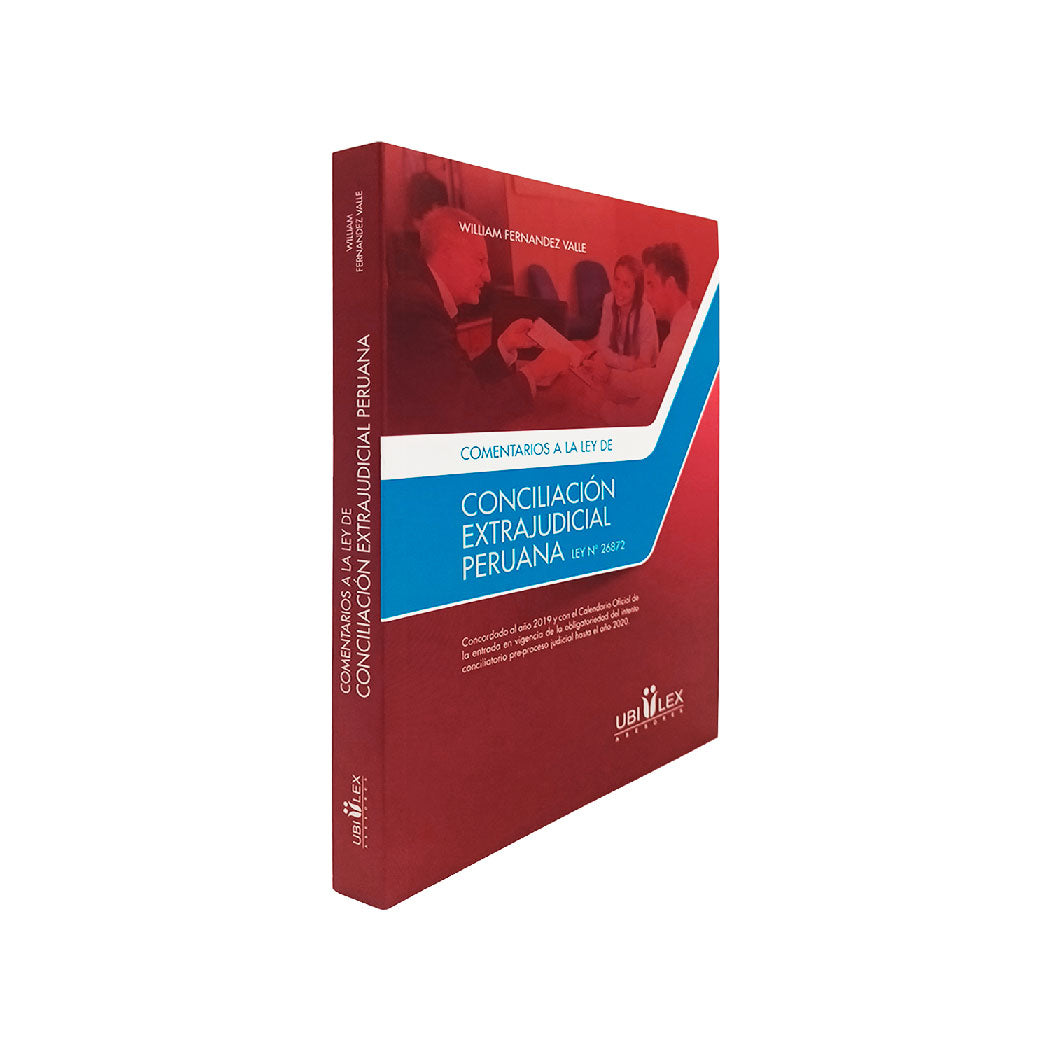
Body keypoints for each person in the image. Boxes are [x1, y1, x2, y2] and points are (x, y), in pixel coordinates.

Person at [387, 207, 568, 434]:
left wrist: (504, 346)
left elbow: (456, 385)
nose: (488, 276)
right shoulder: (417, 309)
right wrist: (535, 372)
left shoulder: (420, 295)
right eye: (480, 260)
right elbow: (468, 412)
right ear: (447, 254)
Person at [600, 243, 698, 425]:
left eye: (651, 285)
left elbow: (642, 418)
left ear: (670, 284)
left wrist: (600, 407)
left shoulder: (676, 343)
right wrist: (612, 376)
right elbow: (658, 378)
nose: (647, 295)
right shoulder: (688, 322)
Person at [594, 255, 659, 370]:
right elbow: (602, 347)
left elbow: (644, 364)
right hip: (616, 367)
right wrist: (630, 363)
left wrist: (608, 358)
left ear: (637, 290)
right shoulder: (609, 300)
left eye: (626, 285)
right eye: (617, 280)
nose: (618, 290)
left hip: (641, 374)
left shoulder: (646, 313)